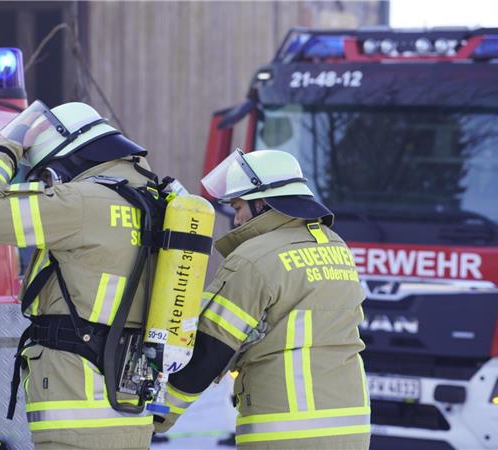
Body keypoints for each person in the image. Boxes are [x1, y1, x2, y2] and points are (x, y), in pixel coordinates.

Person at [0, 101, 163, 449]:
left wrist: (5, 148)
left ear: (64, 158)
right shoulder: (152, 200)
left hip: (77, 414)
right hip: (126, 410)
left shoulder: (85, 201)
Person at [153, 149, 370, 449]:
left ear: (263, 202)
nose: (237, 219)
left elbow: (209, 348)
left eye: (239, 206)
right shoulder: (336, 246)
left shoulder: (253, 259)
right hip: (351, 427)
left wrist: (157, 417)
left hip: (285, 431)